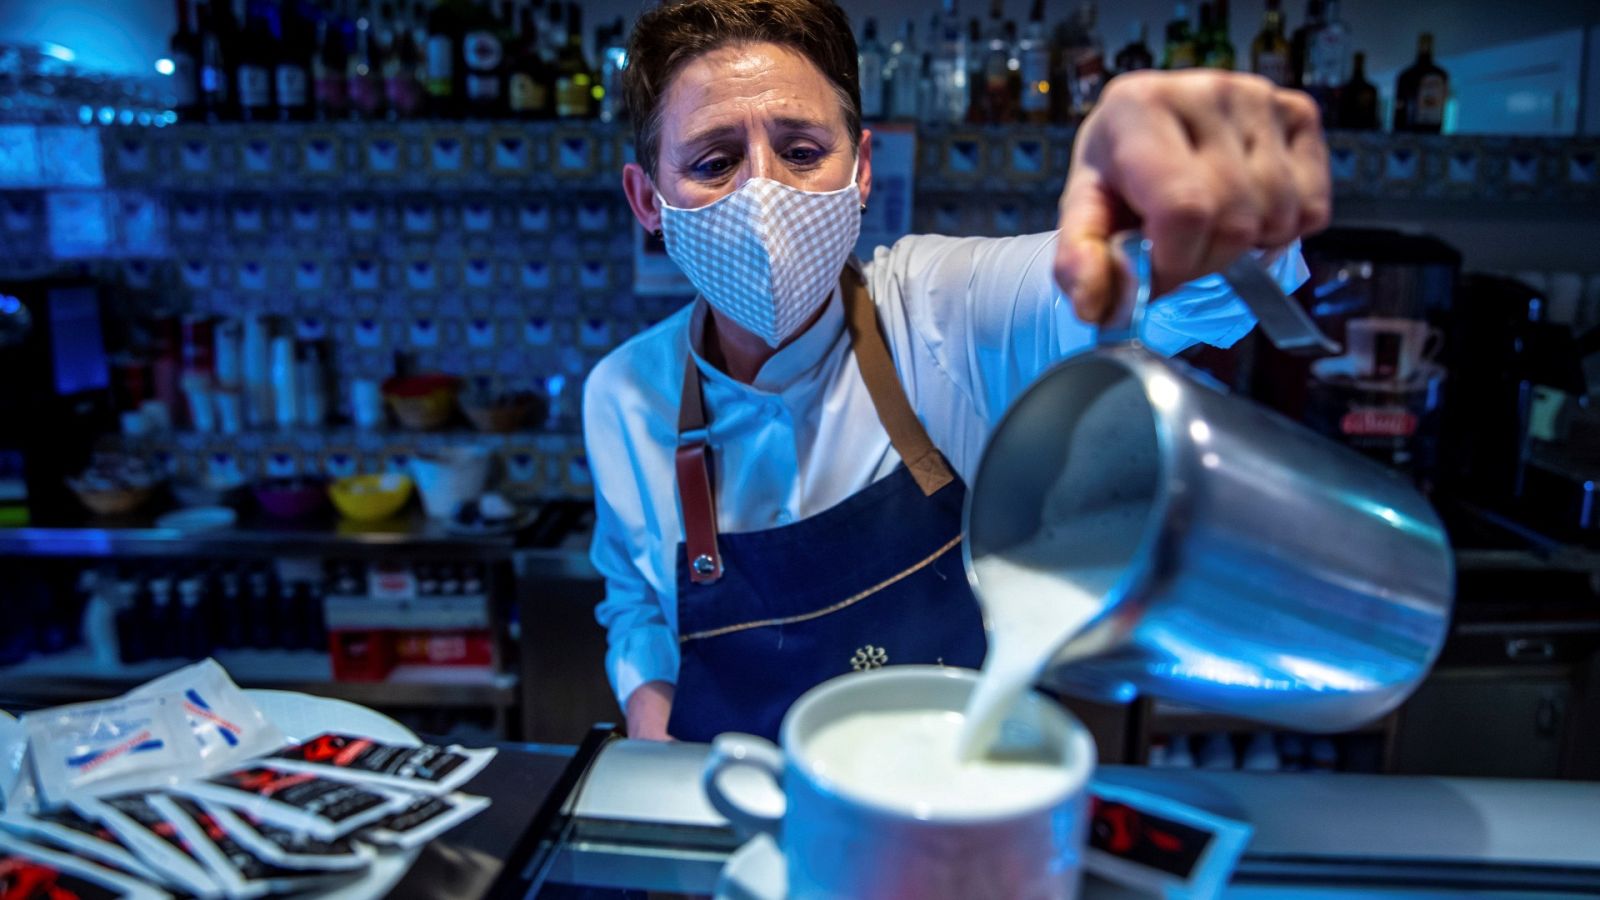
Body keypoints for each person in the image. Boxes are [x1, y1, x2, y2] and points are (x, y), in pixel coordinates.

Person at [585, 0, 1330, 742]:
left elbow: (1158, 292)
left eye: (803, 152)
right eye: (715, 163)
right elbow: (638, 602)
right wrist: (650, 715)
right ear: (648, 200)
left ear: (862, 170)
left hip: (953, 791)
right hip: (731, 794)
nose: (764, 198)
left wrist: (1206, 206)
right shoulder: (622, 397)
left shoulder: (946, 312)